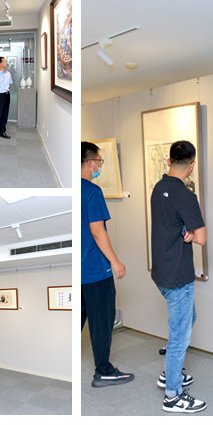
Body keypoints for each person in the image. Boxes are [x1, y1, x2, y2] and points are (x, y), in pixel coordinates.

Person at [150, 140, 207, 414]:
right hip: (178, 276)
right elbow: (202, 238)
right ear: (192, 165)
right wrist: (192, 233)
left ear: (169, 161)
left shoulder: (158, 188)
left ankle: (169, 374)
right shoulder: (185, 196)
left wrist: (186, 231)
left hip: (162, 272)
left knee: (188, 318)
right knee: (179, 337)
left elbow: (170, 224)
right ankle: (172, 396)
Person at [81, 141, 134, 388]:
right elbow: (97, 230)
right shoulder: (92, 192)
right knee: (101, 322)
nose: (100, 166)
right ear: (89, 162)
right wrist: (115, 261)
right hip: (95, 270)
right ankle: (103, 371)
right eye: (99, 161)